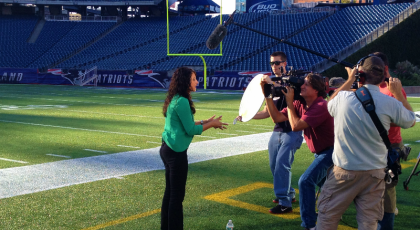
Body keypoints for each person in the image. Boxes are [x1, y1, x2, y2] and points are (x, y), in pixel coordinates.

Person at [316, 56, 416, 230]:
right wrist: (398, 93)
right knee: (368, 223)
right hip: (375, 175)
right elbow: (410, 120)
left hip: (344, 174)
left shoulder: (343, 99)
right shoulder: (390, 103)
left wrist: (349, 79)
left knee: (327, 219)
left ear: (360, 76)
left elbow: (330, 103)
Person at [260, 73, 334, 230]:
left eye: (306, 84)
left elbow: (295, 126)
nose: (302, 86)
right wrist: (268, 96)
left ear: (316, 90)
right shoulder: (302, 105)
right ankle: (336, 210)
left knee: (306, 181)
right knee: (332, 187)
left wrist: (289, 102)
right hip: (321, 152)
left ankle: (309, 225)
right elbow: (277, 118)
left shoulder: (321, 106)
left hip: (332, 152)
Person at [160, 67, 228, 230]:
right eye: (194, 79)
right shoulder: (182, 101)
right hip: (175, 153)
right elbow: (191, 130)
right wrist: (211, 124)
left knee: (170, 194)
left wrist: (205, 121)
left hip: (167, 149)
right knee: (176, 197)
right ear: (185, 82)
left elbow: (186, 123)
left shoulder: (175, 98)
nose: (197, 81)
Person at [236, 51, 303, 214]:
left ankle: (284, 202)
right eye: (272, 63)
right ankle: (289, 193)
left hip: (292, 130)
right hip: (277, 130)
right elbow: (267, 112)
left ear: (285, 63)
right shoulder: (272, 85)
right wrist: (247, 116)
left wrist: (272, 84)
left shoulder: (294, 82)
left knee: (282, 165)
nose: (274, 66)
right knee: (274, 165)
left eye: (278, 63)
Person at [373, 52, 412, 230]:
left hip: (391, 145)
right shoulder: (373, 86)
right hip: (374, 145)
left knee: (387, 190)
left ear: (385, 68)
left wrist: (384, 119)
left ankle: (387, 219)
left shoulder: (393, 88)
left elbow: (407, 119)